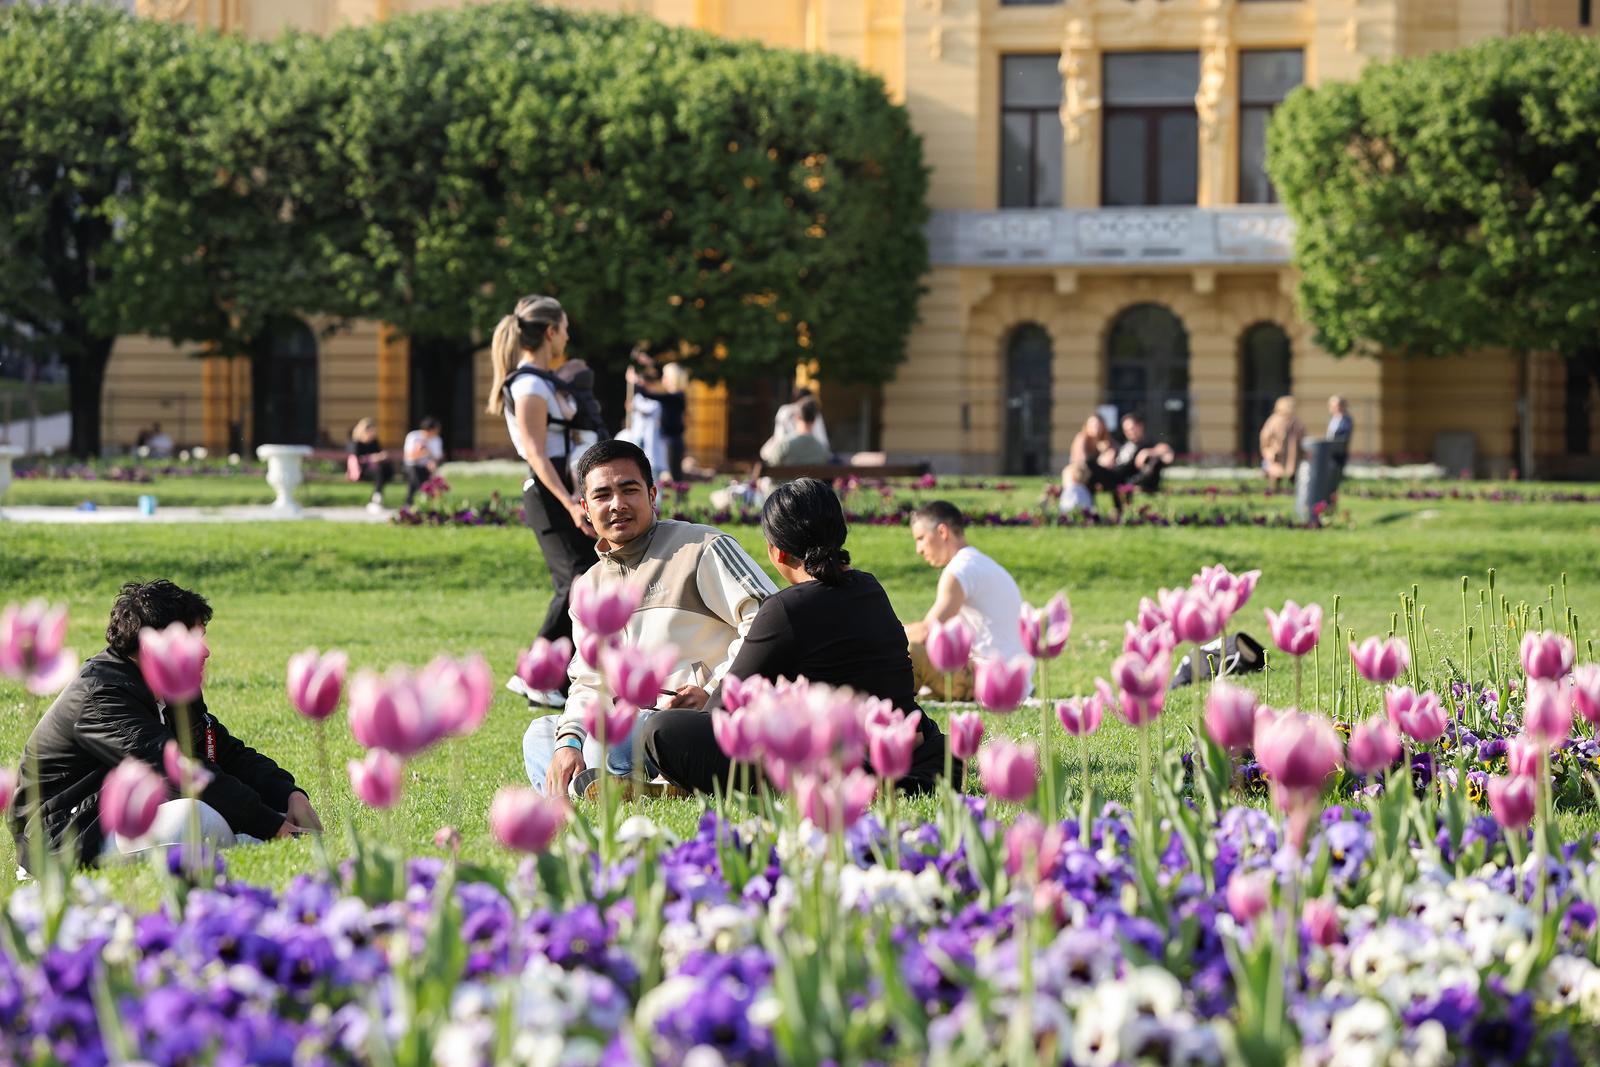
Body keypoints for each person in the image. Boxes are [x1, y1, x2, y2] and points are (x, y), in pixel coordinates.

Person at [645, 478, 953, 795]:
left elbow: (725, 710)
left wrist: (699, 710)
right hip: (906, 744)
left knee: (662, 730)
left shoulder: (785, 608)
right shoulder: (870, 587)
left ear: (776, 552)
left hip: (837, 758)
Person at [522, 439, 777, 799]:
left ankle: (627, 783)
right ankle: (640, 788)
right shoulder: (589, 588)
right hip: (633, 727)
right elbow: (590, 679)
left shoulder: (701, 548)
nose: (617, 504)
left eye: (629, 490)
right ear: (584, 507)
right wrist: (569, 741)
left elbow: (770, 621)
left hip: (699, 723)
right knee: (542, 735)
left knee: (627, 737)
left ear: (652, 494)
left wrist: (714, 691)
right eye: (602, 495)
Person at [10, 580, 321, 869]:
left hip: (117, 820)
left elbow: (226, 752)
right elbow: (175, 770)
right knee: (196, 817)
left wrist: (289, 794)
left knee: (225, 816)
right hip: (63, 837)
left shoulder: (170, 687)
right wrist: (273, 826)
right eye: (194, 638)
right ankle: (243, 841)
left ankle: (245, 839)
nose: (206, 651)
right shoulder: (103, 697)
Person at [488, 295, 598, 708]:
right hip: (549, 491)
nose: (568, 336)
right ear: (550, 332)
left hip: (559, 488)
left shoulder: (543, 380)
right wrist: (570, 502)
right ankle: (535, 675)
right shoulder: (531, 384)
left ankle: (553, 675)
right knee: (576, 582)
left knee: (580, 580)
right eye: (564, 328)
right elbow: (536, 452)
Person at [902, 501, 1029, 702]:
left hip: (990, 679)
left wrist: (882, 635)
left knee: (910, 651)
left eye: (921, 538)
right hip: (1015, 679)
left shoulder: (958, 571)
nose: (918, 549)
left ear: (942, 532)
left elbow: (928, 632)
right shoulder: (980, 564)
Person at [634, 361, 689, 482]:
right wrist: (647, 361)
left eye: (665, 376)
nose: (662, 378)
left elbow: (647, 394)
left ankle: (679, 496)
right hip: (668, 439)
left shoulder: (676, 396)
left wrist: (636, 382)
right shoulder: (673, 396)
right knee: (671, 471)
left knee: (674, 472)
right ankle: (678, 495)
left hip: (673, 440)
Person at [1109, 413, 1174, 497]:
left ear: (1140, 426)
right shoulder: (1124, 445)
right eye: (1126, 430)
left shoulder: (1148, 443)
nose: (1129, 432)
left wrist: (1147, 452)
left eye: (1132, 428)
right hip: (1118, 477)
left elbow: (1168, 453)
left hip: (1136, 481)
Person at [760, 386, 830, 464]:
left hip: (786, 461)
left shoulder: (785, 411)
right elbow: (823, 442)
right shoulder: (820, 448)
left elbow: (779, 437)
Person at [1064, 412, 1118, 505]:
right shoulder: (1082, 438)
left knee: (1115, 479)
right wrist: (1101, 457)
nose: (1096, 427)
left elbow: (1115, 451)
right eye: (1093, 425)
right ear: (1087, 426)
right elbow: (1083, 461)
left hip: (1095, 474)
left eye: (1098, 425)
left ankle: (1117, 510)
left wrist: (1108, 453)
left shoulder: (1106, 440)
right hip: (1080, 473)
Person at [346, 417, 394, 513]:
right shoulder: (356, 443)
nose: (372, 433)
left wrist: (381, 456)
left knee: (385, 468)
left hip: (375, 468)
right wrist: (371, 458)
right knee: (379, 471)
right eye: (370, 431)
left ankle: (376, 498)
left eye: (373, 431)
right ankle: (376, 498)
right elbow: (355, 460)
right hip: (361, 470)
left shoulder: (374, 442)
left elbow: (379, 453)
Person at [1259, 396, 1306, 489]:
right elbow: (1265, 438)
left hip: (1289, 454)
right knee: (1277, 474)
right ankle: (1275, 491)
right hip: (1280, 453)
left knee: (1288, 474)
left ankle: (1285, 492)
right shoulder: (1275, 420)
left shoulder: (1294, 421)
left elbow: (1302, 437)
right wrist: (1268, 450)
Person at [403, 416, 445, 506]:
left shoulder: (437, 440)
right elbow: (409, 456)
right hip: (412, 465)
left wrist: (432, 462)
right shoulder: (413, 436)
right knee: (417, 477)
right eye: (436, 430)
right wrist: (422, 452)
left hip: (427, 467)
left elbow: (437, 457)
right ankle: (419, 500)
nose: (437, 432)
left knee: (434, 481)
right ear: (429, 430)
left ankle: (413, 501)